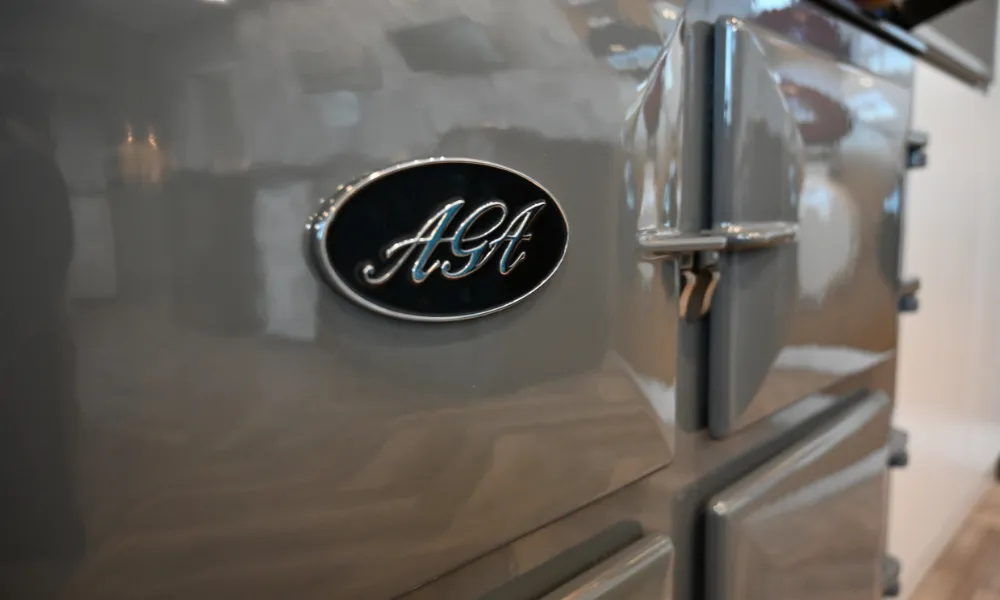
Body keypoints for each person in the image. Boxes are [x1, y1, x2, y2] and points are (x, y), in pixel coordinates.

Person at [0, 68, 83, 598]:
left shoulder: (23, 169)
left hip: (20, 326)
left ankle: (41, 535)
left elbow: (47, 254)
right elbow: (53, 253)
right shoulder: (31, 167)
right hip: (25, 325)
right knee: (34, 431)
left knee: (29, 432)